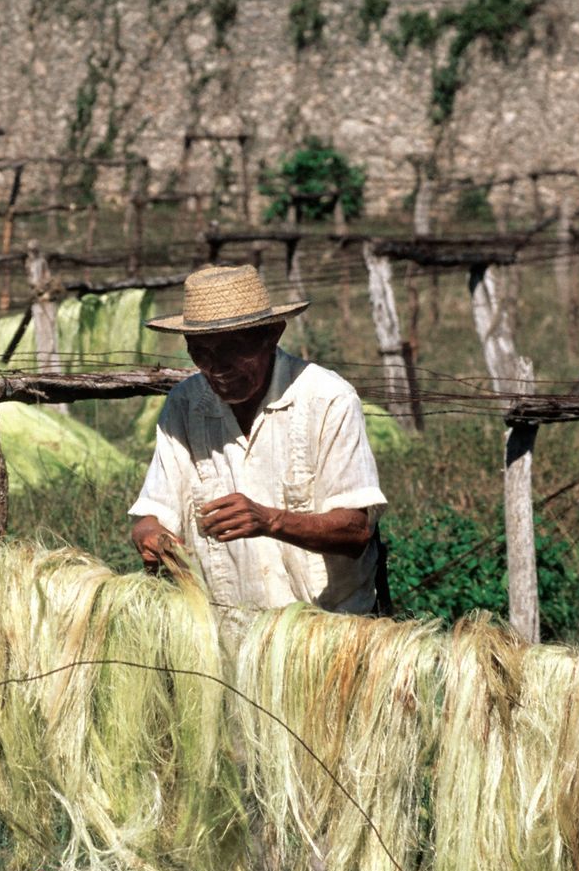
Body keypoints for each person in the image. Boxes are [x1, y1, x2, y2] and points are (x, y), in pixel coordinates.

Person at [129, 263, 387, 620]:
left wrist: (271, 521)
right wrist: (150, 536)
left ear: (272, 335)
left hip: (328, 633)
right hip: (231, 635)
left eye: (234, 349)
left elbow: (355, 530)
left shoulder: (327, 398)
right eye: (201, 352)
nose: (218, 367)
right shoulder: (185, 405)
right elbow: (153, 515)